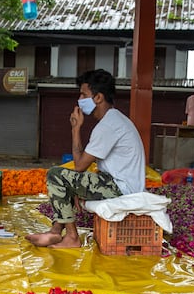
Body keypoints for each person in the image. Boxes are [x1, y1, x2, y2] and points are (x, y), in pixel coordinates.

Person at [26, 69, 145, 249]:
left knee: (55, 175)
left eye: (83, 94)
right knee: (68, 179)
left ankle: (72, 238)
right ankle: (55, 231)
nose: (79, 99)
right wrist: (76, 188)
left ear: (98, 98)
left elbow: (80, 165)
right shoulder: (114, 120)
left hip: (122, 188)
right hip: (118, 184)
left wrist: (75, 129)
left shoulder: (109, 125)